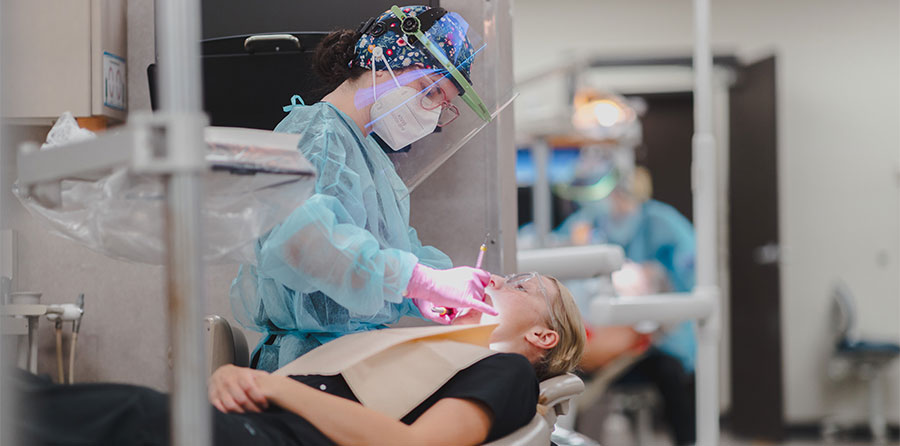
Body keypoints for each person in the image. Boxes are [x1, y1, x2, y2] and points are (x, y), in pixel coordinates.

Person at [12, 273, 586, 446]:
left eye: (519, 284)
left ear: (542, 336)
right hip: (257, 426)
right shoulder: (428, 352)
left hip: (282, 440)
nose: (493, 280)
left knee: (124, 415)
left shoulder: (506, 372)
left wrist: (278, 389)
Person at [230, 5, 499, 372]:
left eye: (445, 103)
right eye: (429, 90)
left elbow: (393, 245)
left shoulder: (367, 154)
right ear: (380, 61)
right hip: (305, 367)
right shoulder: (317, 135)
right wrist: (419, 280)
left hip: (346, 360)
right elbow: (307, 244)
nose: (434, 112)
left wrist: (421, 293)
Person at [559, 166, 697, 445]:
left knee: (671, 377)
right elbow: (555, 244)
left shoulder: (660, 222)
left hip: (659, 339)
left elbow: (691, 268)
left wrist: (655, 278)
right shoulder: (590, 223)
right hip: (608, 334)